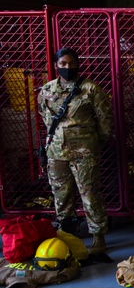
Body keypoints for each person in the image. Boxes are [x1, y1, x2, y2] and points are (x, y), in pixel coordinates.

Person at [37, 47, 113, 255]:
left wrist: (94, 143)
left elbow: (105, 120)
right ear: (55, 66)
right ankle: (67, 236)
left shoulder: (90, 89)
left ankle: (98, 237)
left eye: (71, 63)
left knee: (90, 194)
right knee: (61, 196)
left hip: (84, 152)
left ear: (78, 64)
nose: (67, 67)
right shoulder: (46, 91)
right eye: (62, 64)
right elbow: (45, 118)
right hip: (56, 153)